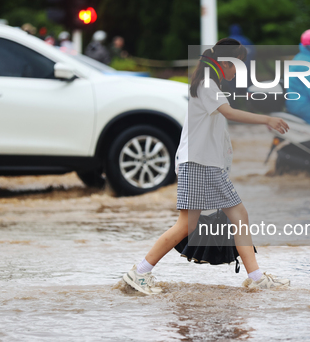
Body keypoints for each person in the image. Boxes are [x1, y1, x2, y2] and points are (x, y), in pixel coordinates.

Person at [122, 38, 291, 295]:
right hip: (200, 164)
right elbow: (230, 112)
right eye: (236, 65)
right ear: (225, 62)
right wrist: (267, 119)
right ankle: (140, 272)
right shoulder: (208, 84)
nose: (237, 71)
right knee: (209, 221)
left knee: (208, 222)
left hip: (201, 163)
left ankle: (141, 272)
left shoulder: (209, 82)